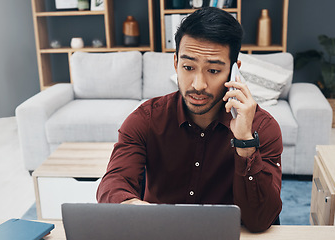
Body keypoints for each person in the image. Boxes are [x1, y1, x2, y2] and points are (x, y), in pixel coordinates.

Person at [97, 7, 282, 233]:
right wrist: (131, 207)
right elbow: (114, 183)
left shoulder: (262, 128)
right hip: (160, 233)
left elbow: (260, 221)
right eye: (188, 67)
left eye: (213, 70)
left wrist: (245, 143)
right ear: (175, 63)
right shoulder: (145, 119)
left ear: (235, 72)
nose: (198, 85)